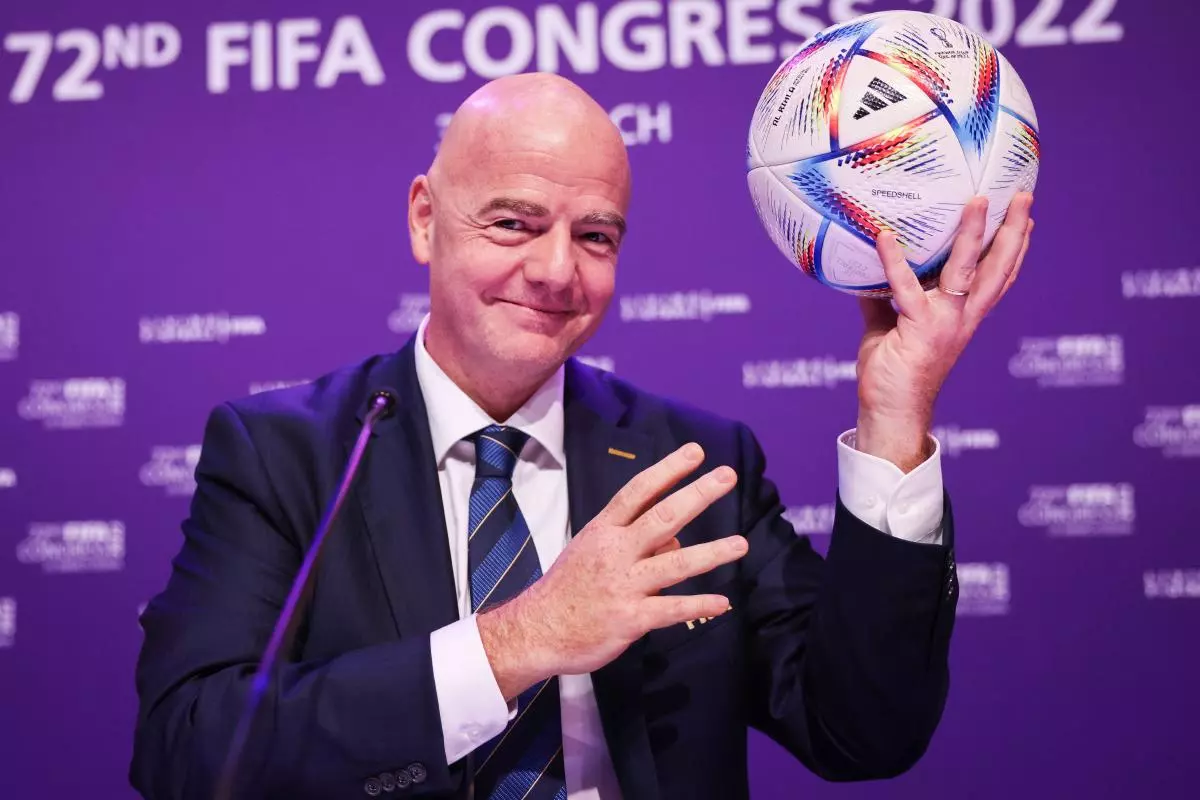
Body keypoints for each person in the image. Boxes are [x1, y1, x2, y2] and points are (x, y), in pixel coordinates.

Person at [131, 72, 1034, 800]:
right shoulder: (286, 452)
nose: (557, 270)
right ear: (424, 218)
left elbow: (861, 732)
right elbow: (189, 750)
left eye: (595, 236)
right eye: (514, 223)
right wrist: (518, 641)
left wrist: (893, 419)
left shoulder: (699, 464)